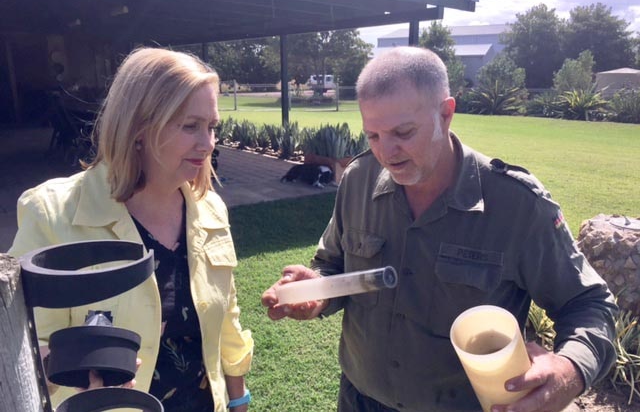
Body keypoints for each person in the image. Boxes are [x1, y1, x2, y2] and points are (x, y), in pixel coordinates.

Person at [262, 46, 617, 412]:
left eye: (403, 132)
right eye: (373, 136)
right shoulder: (358, 179)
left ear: (446, 113)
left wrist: (570, 369)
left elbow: (589, 304)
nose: (387, 152)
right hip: (359, 399)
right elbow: (334, 266)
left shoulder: (517, 205)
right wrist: (317, 291)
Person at [9, 47, 253, 412]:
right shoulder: (52, 214)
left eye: (212, 126)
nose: (208, 144)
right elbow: (20, 347)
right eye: (190, 126)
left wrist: (239, 399)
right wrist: (66, 368)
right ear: (138, 127)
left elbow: (227, 319)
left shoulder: (210, 209)